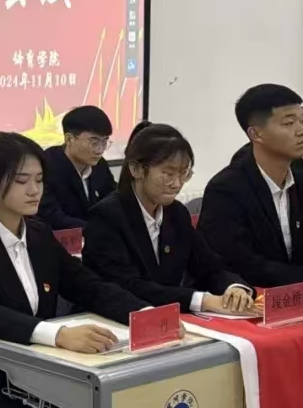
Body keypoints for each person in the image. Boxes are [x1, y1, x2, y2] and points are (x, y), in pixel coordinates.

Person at [0, 133, 147, 408]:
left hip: (36, 373)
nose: (34, 190)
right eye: (21, 181)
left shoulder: (39, 234)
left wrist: (143, 314)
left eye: (39, 180)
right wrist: (57, 335)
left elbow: (87, 285)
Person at [83, 122, 255, 315]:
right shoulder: (107, 217)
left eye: (184, 174)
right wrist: (202, 300)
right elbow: (129, 287)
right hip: (113, 319)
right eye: (168, 174)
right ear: (136, 169)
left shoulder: (176, 213)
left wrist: (234, 288)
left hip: (167, 318)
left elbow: (210, 267)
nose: (177, 184)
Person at [198, 84, 303, 287]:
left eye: (302, 120)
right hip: (251, 298)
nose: (300, 130)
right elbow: (241, 265)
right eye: (289, 123)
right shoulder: (226, 190)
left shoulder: (299, 179)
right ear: (256, 134)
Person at [37, 105, 116, 229]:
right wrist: (97, 229)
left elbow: (113, 200)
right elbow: (52, 217)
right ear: (69, 139)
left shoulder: (100, 165)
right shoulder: (46, 167)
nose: (100, 150)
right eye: (94, 142)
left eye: (104, 142)